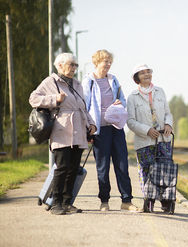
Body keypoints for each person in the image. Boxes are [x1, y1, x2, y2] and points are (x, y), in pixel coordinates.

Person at [29, 52, 97, 215]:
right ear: (60, 65)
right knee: (62, 167)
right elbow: (33, 99)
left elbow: (82, 107)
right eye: (71, 64)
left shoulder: (78, 84)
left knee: (73, 168)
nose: (74, 68)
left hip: (79, 130)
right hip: (61, 130)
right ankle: (56, 203)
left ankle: (67, 202)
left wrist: (92, 123)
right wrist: (54, 99)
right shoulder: (50, 81)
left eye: (75, 65)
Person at [82, 49, 136, 212]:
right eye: (105, 61)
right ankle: (104, 201)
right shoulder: (89, 81)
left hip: (116, 127)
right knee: (103, 167)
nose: (108, 64)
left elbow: (123, 99)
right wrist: (88, 129)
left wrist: (120, 102)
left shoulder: (113, 80)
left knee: (122, 164)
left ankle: (126, 201)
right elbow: (84, 105)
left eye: (109, 61)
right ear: (97, 62)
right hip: (99, 130)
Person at [126, 64, 173, 212]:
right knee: (146, 170)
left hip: (163, 139)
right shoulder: (132, 97)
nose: (147, 75)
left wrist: (168, 124)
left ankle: (165, 201)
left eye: (149, 72)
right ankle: (150, 200)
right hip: (144, 140)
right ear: (137, 78)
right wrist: (147, 130)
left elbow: (168, 113)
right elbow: (130, 121)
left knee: (164, 169)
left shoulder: (160, 92)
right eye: (143, 73)